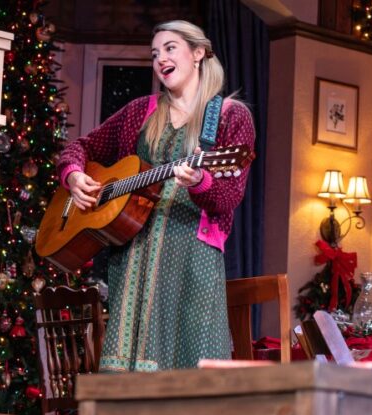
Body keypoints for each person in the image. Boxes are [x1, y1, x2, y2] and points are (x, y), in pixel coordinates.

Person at [57, 20, 255, 373]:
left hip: (193, 261)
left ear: (198, 53)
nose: (160, 58)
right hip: (133, 254)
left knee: (191, 370)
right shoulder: (140, 111)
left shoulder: (229, 116)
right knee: (126, 374)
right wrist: (73, 175)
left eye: (169, 48)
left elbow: (229, 197)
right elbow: (81, 146)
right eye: (154, 53)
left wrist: (200, 183)